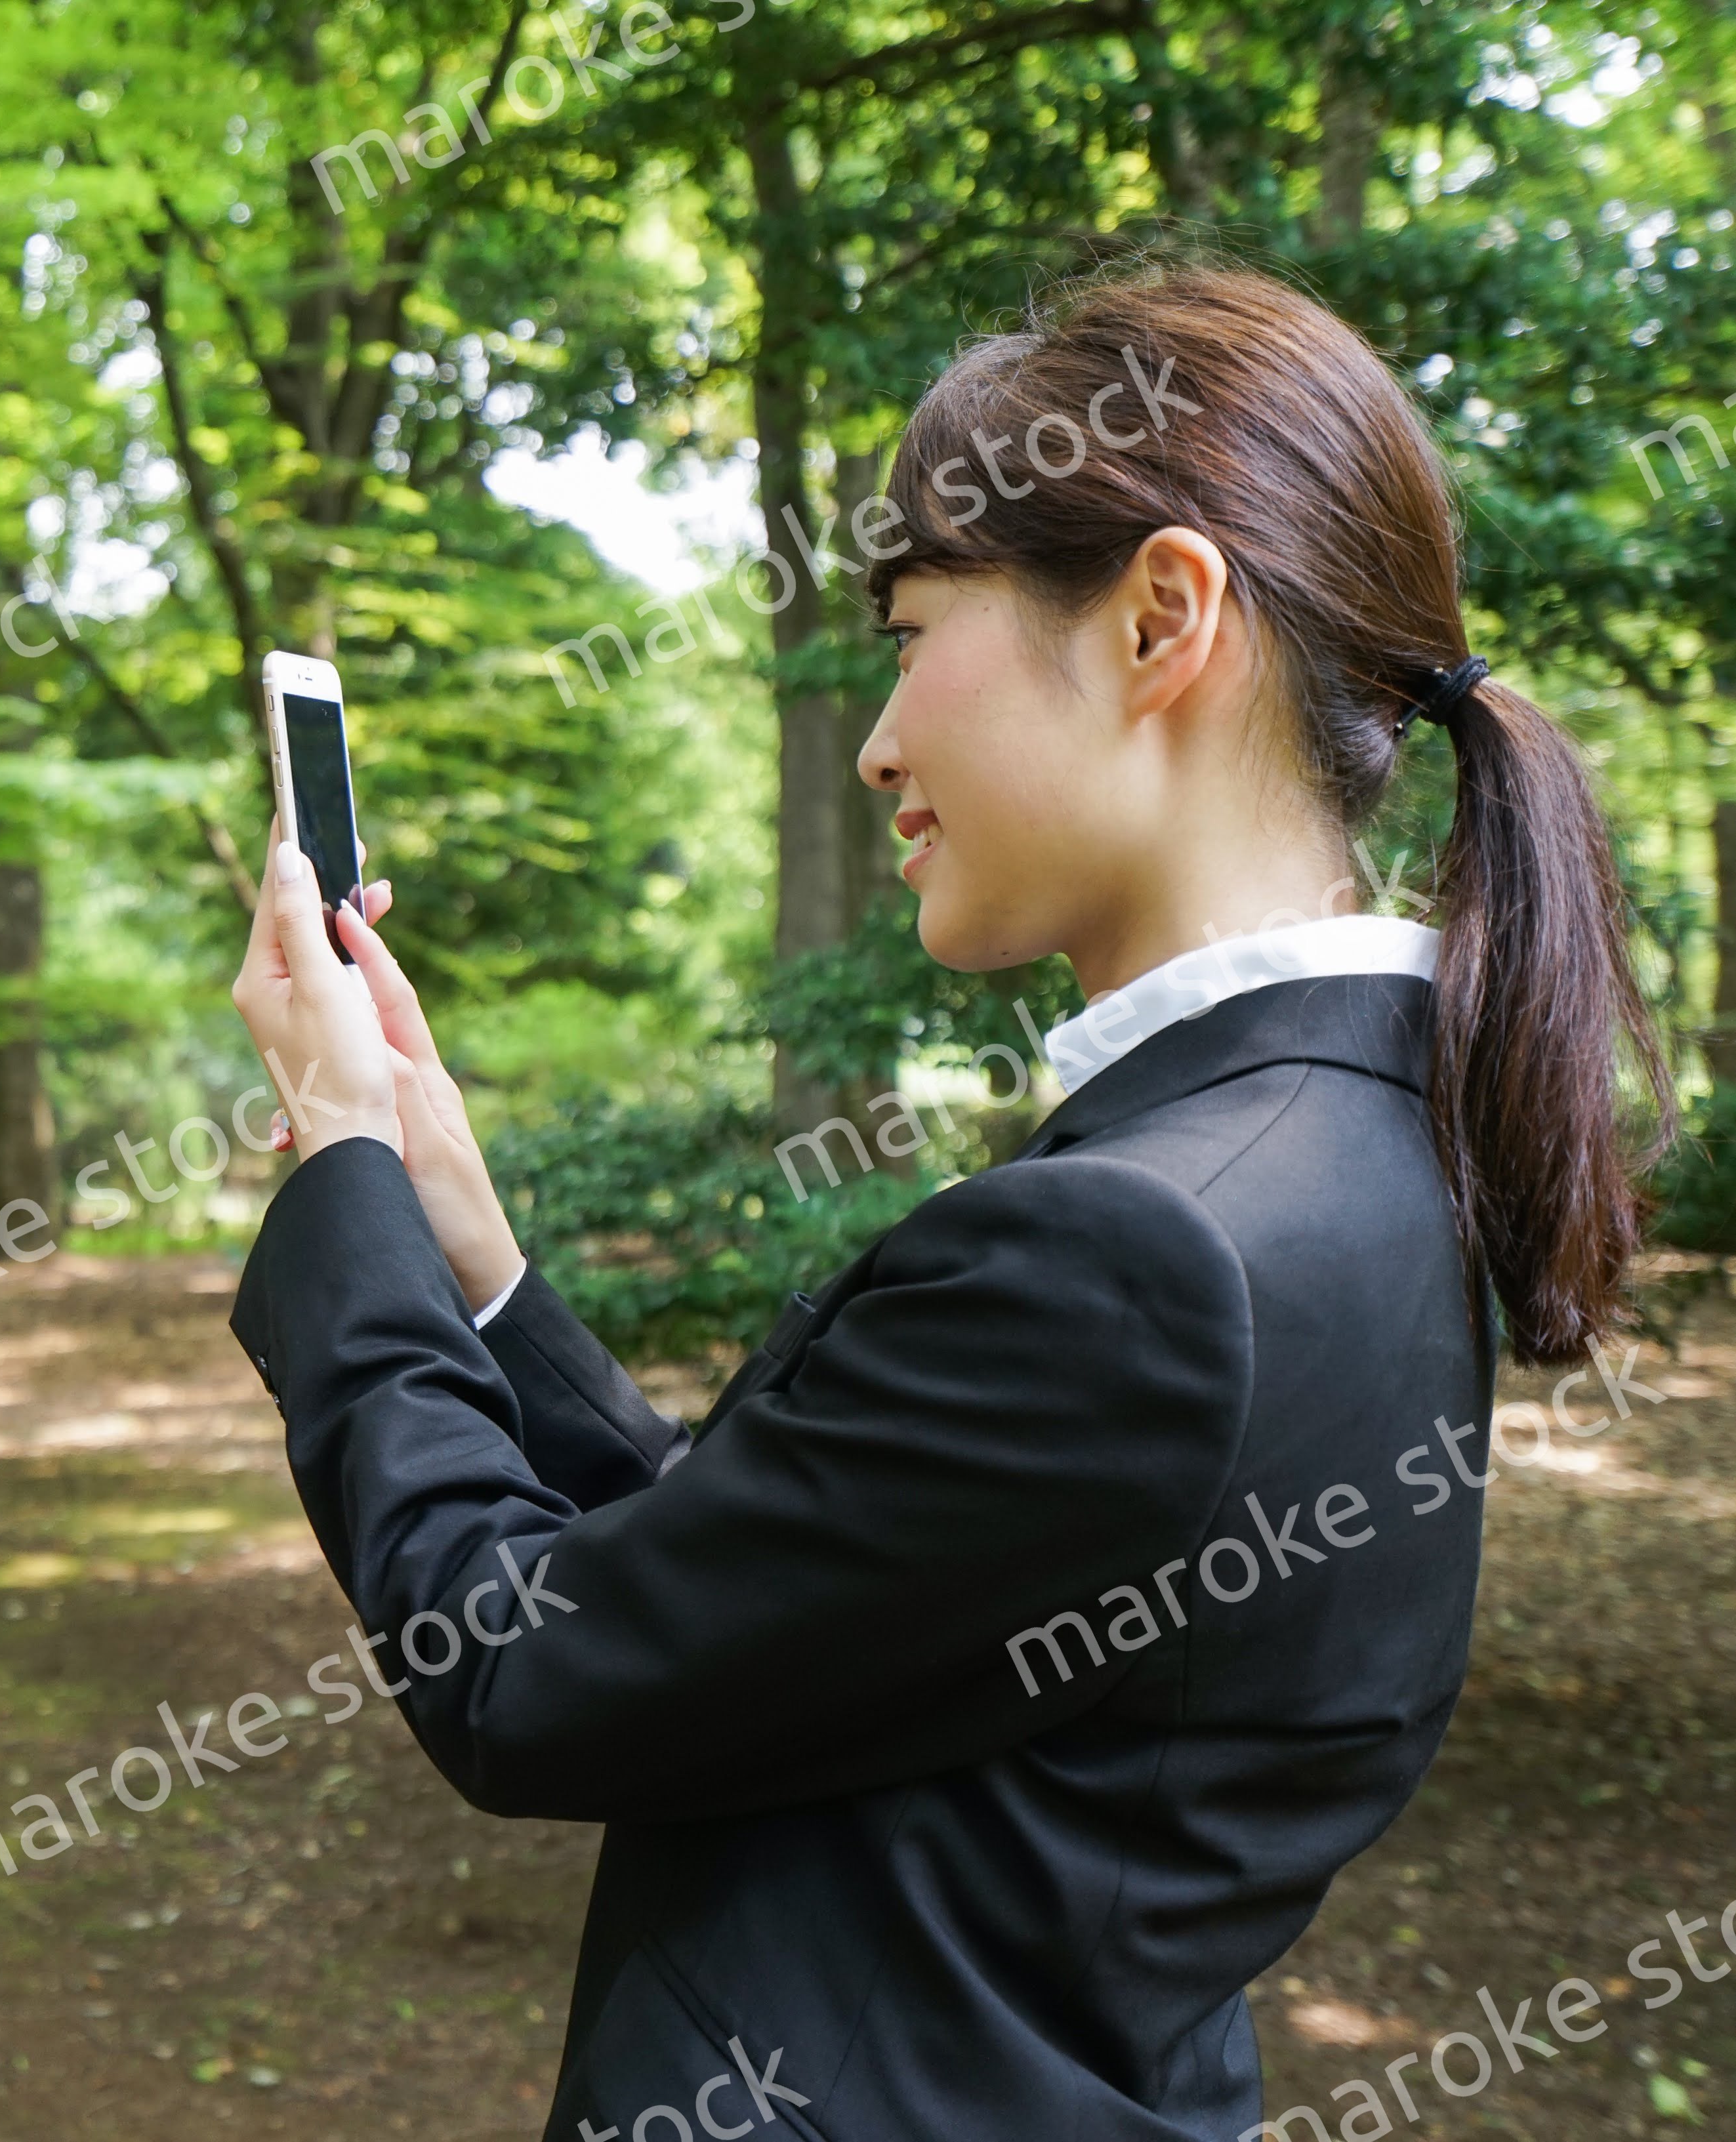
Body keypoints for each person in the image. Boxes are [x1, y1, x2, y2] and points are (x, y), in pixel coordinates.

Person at [224, 259, 1672, 2142]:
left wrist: (340, 1162)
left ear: (1161, 616)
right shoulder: (1359, 1155)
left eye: (912, 632)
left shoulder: (1139, 1247)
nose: (877, 740)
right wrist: (469, 1254)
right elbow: (803, 1592)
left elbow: (517, 1671)